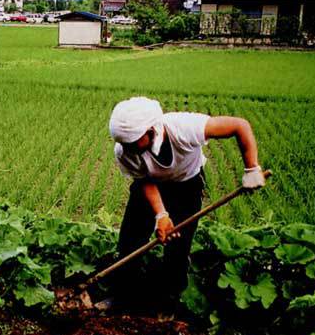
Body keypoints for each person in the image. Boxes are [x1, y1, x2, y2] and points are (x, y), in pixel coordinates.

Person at [102, 96, 265, 314]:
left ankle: (167, 303)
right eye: (123, 143)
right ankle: (123, 298)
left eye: (132, 142)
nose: (127, 148)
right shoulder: (124, 151)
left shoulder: (184, 127)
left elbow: (239, 125)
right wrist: (161, 215)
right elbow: (144, 180)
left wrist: (251, 168)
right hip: (150, 186)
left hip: (186, 186)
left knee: (178, 247)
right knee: (130, 240)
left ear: (152, 130)